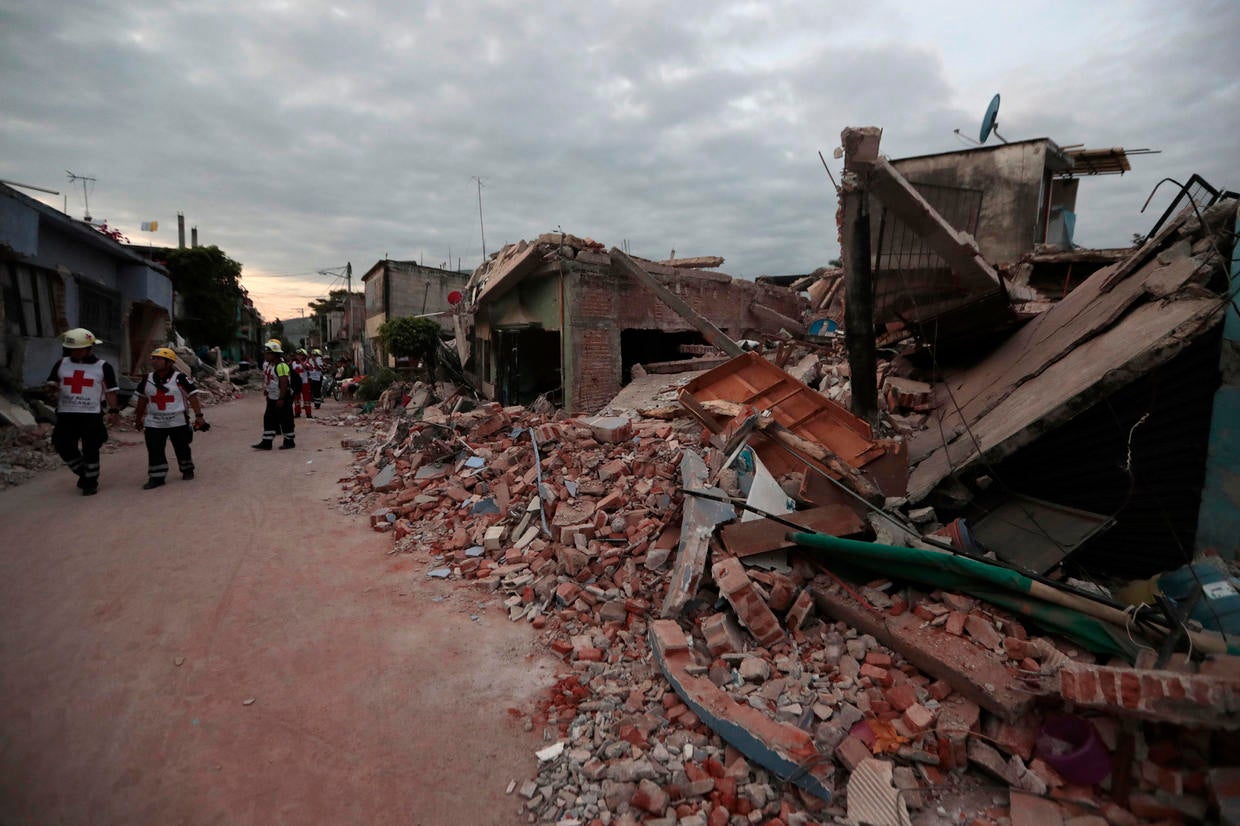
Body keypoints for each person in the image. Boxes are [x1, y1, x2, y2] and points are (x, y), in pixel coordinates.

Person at [45, 327, 120, 496]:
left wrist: (114, 411)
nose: (75, 353)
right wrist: (51, 391)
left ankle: (90, 482)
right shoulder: (61, 364)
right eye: (72, 349)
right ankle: (84, 472)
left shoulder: (103, 367)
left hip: (91, 415)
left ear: (89, 348)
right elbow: (52, 384)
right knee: (62, 444)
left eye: (78, 350)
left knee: (91, 448)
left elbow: (110, 391)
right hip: (66, 413)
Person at [132, 347, 207, 489]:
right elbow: (142, 400)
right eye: (153, 358)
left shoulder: (180, 378)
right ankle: (157, 476)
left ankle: (187, 469)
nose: (154, 361)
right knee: (154, 449)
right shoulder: (147, 380)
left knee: (182, 447)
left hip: (177, 421)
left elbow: (192, 397)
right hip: (154, 423)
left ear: (169, 362)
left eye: (158, 359)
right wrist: (138, 418)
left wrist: (199, 416)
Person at [253, 340, 295, 450]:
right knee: (269, 419)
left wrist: (281, 398)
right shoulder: (271, 365)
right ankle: (267, 441)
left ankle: (289, 441)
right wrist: (268, 391)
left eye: (267, 353)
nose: (265, 355)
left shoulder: (281, 366)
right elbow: (272, 381)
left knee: (286, 419)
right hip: (272, 397)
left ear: (274, 354)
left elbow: (284, 382)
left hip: (282, 398)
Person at [292, 348, 312, 418]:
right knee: (296, 399)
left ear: (304, 356)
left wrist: (300, 360)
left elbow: (306, 367)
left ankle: (308, 413)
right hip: (296, 384)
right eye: (297, 355)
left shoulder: (307, 362)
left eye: (300, 355)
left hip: (305, 383)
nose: (298, 356)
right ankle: (297, 412)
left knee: (307, 399)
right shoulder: (293, 363)